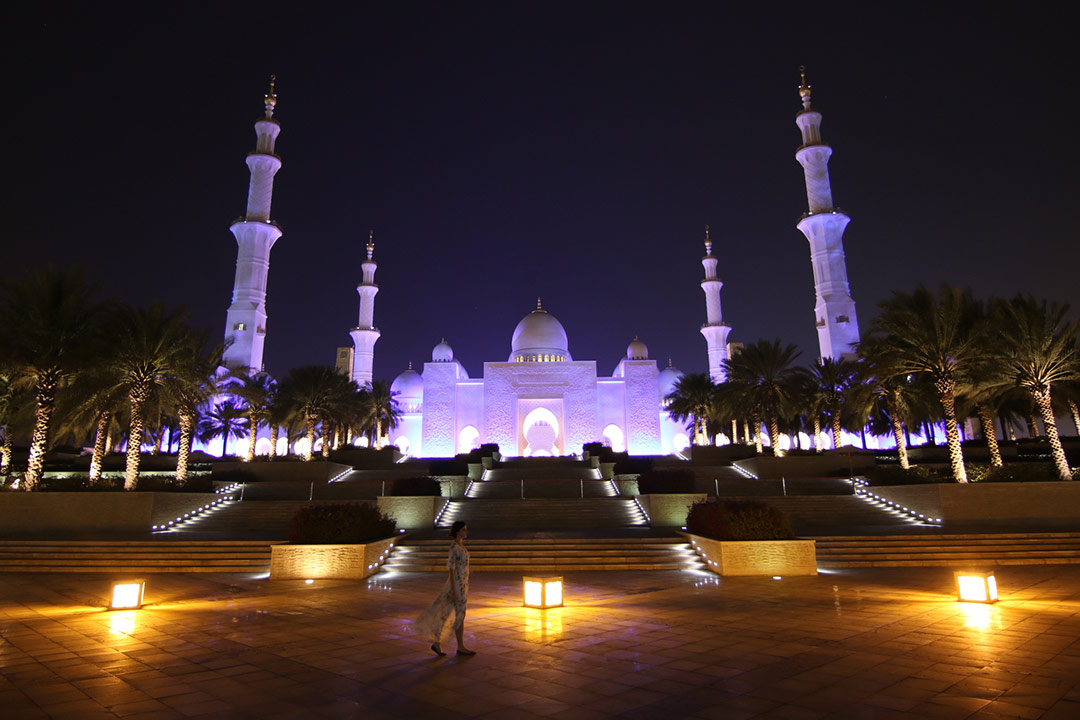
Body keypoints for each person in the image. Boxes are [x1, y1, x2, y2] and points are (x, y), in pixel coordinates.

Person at [416, 520, 475, 656]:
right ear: (458, 531)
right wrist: (454, 590)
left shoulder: (461, 546)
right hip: (456, 586)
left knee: (454, 614)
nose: (466, 532)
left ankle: (441, 643)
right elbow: (451, 569)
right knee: (452, 614)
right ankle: (457, 645)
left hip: (462, 585)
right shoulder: (454, 547)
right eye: (464, 529)